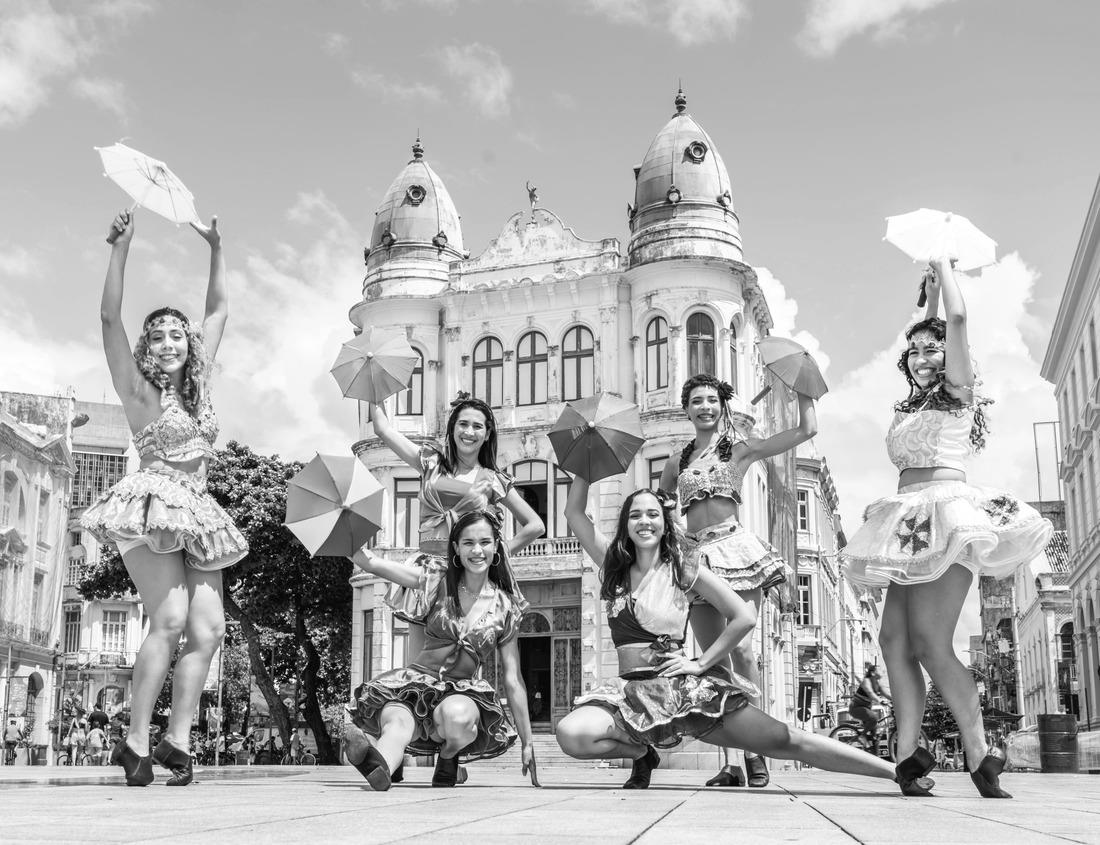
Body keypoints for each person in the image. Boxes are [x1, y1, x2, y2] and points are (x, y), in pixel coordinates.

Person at [841, 256, 1052, 798]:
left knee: (933, 645)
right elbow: (933, 326)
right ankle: (909, 754)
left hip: (946, 512)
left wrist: (946, 270)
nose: (919, 356)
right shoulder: (911, 402)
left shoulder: (959, 388)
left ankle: (981, 753)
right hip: (907, 517)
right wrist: (927, 297)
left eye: (929, 350)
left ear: (954, 358)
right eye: (912, 351)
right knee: (893, 641)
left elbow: (954, 323)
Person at [555, 482, 909, 792]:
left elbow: (744, 616)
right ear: (625, 524)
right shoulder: (614, 568)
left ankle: (897, 772)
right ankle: (641, 752)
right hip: (629, 694)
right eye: (635, 515)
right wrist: (585, 467)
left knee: (784, 740)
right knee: (571, 734)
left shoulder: (684, 568)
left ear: (665, 524)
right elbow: (574, 513)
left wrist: (701, 664)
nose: (643, 522)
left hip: (681, 693)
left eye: (652, 514)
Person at [81, 210, 248, 787]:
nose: (171, 341)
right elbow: (108, 317)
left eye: (178, 334)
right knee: (171, 616)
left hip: (198, 511)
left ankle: (176, 739)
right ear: (148, 347)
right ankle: (134, 739)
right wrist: (121, 248)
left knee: (209, 631)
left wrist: (217, 248)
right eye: (159, 335)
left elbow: (220, 310)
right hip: (149, 504)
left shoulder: (200, 389)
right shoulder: (137, 388)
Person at [659, 373, 817, 788]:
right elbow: (662, 504)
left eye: (712, 399)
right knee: (712, 662)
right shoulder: (677, 461)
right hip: (697, 559)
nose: (705, 407)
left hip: (735, 550)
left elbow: (805, 430)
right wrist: (671, 534)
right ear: (687, 408)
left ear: (722, 404)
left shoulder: (739, 450)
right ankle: (730, 763)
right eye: (696, 400)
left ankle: (756, 751)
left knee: (743, 651)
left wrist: (804, 392)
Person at [344, 511, 539, 791]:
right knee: (396, 724)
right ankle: (379, 767)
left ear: (497, 546)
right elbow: (371, 562)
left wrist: (528, 741)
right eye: (468, 542)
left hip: (461, 693)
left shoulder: (506, 606)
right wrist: (348, 533)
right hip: (413, 686)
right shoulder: (435, 580)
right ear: (456, 549)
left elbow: (513, 678)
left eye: (484, 542)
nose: (476, 550)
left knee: (457, 717)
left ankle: (448, 757)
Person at [848, 664, 890, 743]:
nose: (882, 671)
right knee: (874, 718)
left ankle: (871, 750)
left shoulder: (878, 684)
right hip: (856, 708)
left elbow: (887, 694)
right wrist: (880, 700)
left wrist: (896, 700)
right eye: (879, 669)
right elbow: (870, 692)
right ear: (873, 673)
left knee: (875, 733)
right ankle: (862, 736)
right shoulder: (866, 681)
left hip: (866, 709)